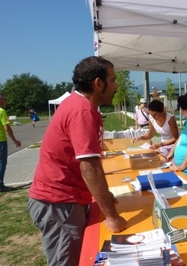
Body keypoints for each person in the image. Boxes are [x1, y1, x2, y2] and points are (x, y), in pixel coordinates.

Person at [28, 56, 127, 266]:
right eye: (113, 80)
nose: (116, 86)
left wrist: (105, 195)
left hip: (64, 201)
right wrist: (111, 216)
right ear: (98, 83)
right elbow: (89, 165)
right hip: (59, 203)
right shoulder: (81, 110)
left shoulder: (81, 106)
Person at [0, 94, 21, 192]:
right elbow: (6, 127)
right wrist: (14, 140)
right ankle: (0, 184)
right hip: (1, 141)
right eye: (5, 99)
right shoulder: (2, 111)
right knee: (2, 162)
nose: (6, 101)